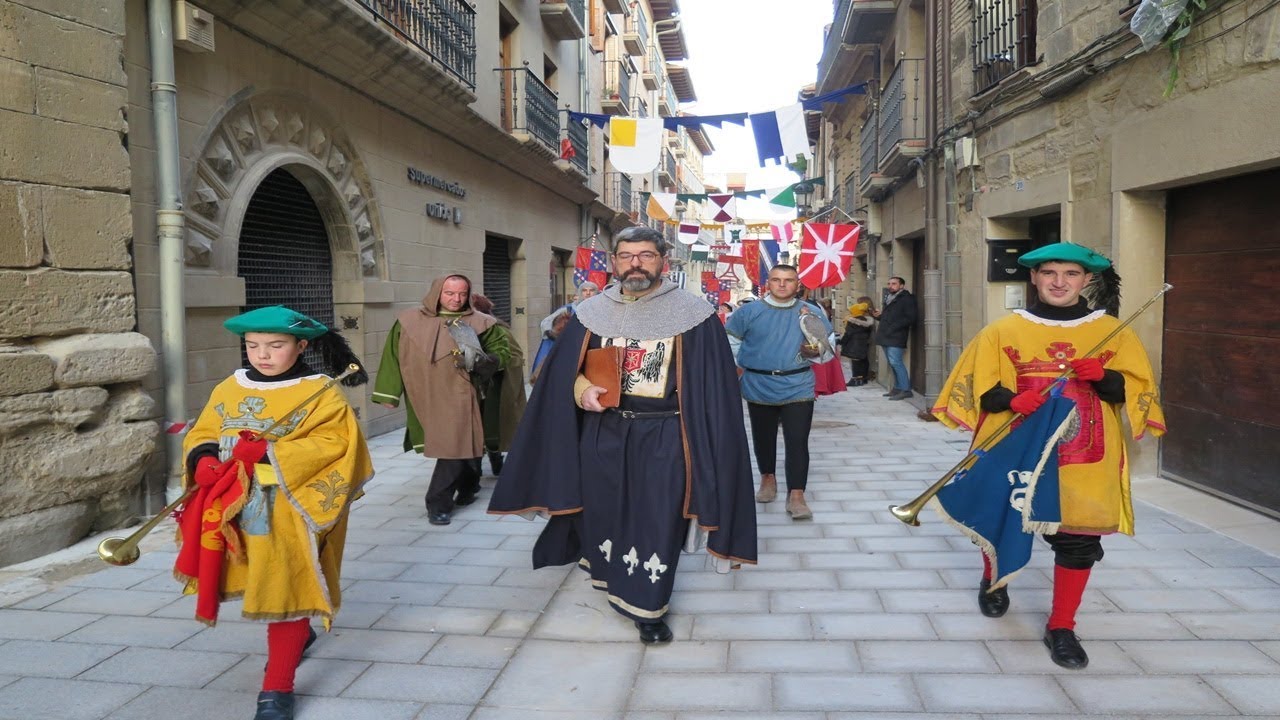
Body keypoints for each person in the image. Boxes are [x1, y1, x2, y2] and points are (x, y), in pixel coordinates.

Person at [488, 226, 757, 645]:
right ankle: (608, 578)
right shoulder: (590, 313)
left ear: (662, 261)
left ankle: (649, 607)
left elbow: (714, 386)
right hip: (603, 430)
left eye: (646, 255)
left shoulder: (695, 315)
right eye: (627, 255)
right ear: (614, 262)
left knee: (656, 517)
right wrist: (582, 391)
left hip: (665, 434)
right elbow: (560, 375)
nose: (636, 263)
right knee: (605, 511)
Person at [931, 242, 1166, 670]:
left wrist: (1107, 377)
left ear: (1087, 280)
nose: (1060, 282)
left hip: (1086, 453)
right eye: (1050, 273)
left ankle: (1062, 626)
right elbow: (980, 384)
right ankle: (994, 580)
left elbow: (1133, 389)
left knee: (1078, 541)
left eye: (1070, 274)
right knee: (1003, 516)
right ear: (1035, 279)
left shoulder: (1113, 330)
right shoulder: (1003, 330)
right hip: (1018, 445)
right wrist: (1010, 399)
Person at [177, 305, 373, 720]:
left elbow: (338, 444)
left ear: (301, 345)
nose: (262, 355)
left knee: (289, 583)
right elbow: (206, 428)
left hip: (290, 505)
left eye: (275, 345)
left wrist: (271, 450)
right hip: (233, 505)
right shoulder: (230, 386)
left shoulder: (320, 391)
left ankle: (277, 688)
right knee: (257, 578)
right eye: (253, 346)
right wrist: (203, 457)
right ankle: (298, 636)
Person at [372, 274, 511, 526]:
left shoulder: (483, 322)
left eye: (462, 294)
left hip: (463, 393)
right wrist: (389, 392)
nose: (456, 299)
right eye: (449, 293)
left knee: (454, 446)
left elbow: (504, 353)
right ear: (437, 292)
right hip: (424, 391)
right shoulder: (408, 320)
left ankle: (437, 503)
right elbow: (392, 356)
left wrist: (486, 361)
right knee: (461, 445)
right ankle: (469, 487)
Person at [725, 265, 834, 520]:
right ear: (768, 283)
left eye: (788, 280)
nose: (782, 285)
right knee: (763, 438)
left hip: (798, 384)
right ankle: (768, 479)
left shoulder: (812, 312)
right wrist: (744, 363)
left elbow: (827, 350)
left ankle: (796, 495)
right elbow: (730, 341)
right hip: (758, 384)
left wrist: (814, 352)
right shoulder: (748, 312)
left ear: (798, 284)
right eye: (776, 280)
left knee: (797, 441)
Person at [469, 292, 528, 476]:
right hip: (472, 389)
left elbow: (516, 356)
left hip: (495, 388)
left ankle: (495, 461)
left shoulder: (498, 330)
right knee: (475, 431)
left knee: (492, 428)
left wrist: (493, 363)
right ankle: (475, 471)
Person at [532, 281, 600, 380]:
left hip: (593, 353)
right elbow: (545, 324)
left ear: (597, 292)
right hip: (570, 353)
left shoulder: (602, 310)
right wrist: (556, 334)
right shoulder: (569, 309)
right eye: (584, 290)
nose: (588, 293)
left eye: (591, 290)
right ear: (580, 293)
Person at [873, 276, 917, 400]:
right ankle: (897, 388)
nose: (890, 286)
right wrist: (878, 316)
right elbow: (889, 317)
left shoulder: (907, 299)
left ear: (901, 286)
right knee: (892, 363)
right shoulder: (890, 298)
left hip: (896, 336)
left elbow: (910, 318)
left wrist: (893, 327)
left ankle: (905, 389)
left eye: (894, 284)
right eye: (889, 283)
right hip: (885, 335)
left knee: (896, 362)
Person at [839, 297, 876, 386]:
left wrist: (841, 342)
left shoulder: (854, 320)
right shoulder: (869, 318)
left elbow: (848, 333)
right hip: (864, 342)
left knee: (855, 361)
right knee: (863, 360)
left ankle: (855, 379)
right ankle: (863, 378)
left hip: (854, 343)